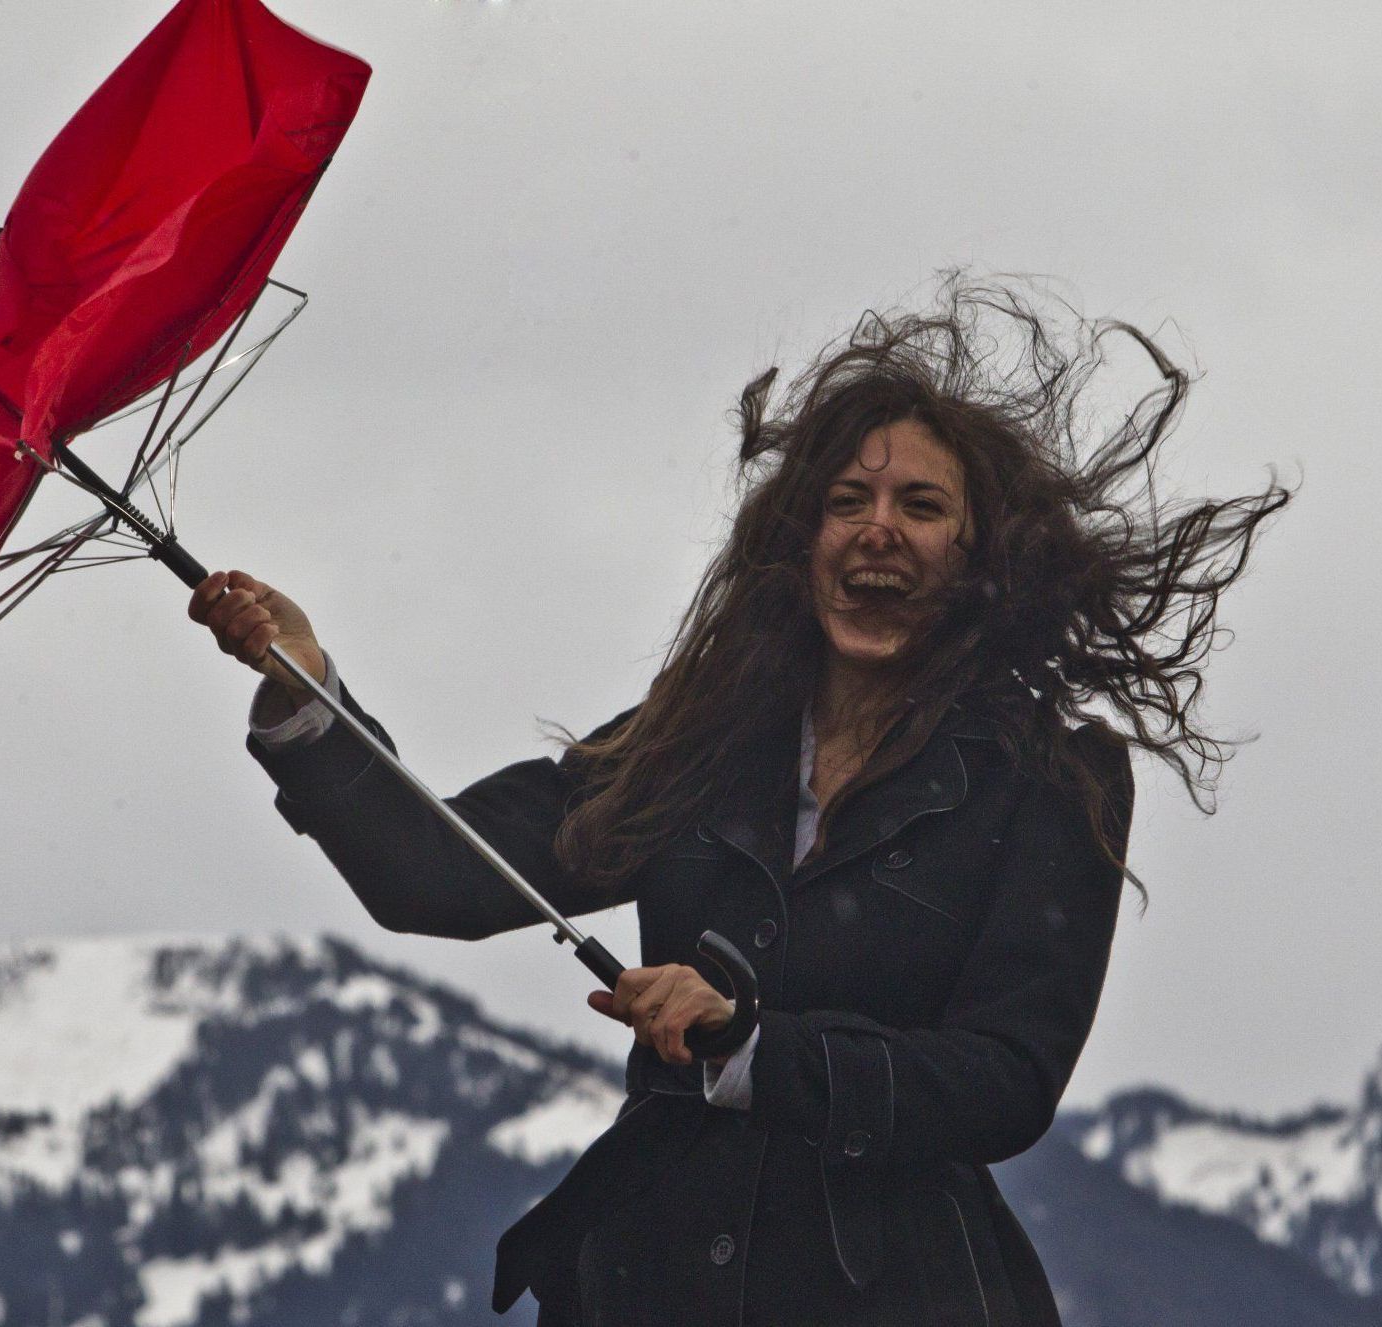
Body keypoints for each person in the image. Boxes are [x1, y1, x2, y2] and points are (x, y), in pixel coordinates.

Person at [188, 281, 1289, 1326]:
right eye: (843, 501)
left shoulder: (1051, 777)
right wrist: (308, 694)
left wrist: (755, 1044)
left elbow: (1003, 1081)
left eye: (919, 505)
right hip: (649, 1283)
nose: (874, 531)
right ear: (795, 543)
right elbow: (439, 873)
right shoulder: (695, 737)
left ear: (977, 553)